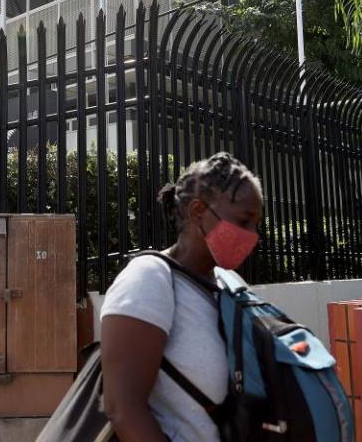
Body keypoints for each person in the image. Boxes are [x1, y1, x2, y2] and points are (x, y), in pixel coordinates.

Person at [100, 153, 263, 442]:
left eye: (256, 223)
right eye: (244, 220)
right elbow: (123, 409)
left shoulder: (228, 283)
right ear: (198, 211)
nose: (253, 235)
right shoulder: (149, 279)